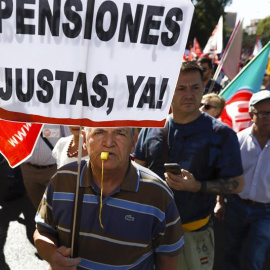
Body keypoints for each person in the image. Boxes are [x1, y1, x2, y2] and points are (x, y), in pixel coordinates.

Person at [133, 61, 244, 270]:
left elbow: (238, 184)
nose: (189, 94)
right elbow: (135, 173)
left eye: (195, 87)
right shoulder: (151, 128)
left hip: (194, 235)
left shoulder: (221, 134)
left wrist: (197, 186)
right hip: (149, 234)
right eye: (181, 88)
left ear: (203, 88)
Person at [34, 127, 184, 270]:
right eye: (99, 132)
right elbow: (42, 231)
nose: (109, 142)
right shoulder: (62, 180)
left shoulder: (157, 193)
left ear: (134, 142)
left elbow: (168, 257)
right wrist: (52, 255)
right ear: (85, 139)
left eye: (120, 133)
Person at [224, 90, 270, 270]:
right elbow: (226, 174)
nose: (268, 118)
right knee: (230, 253)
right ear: (252, 115)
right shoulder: (238, 140)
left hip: (265, 212)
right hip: (237, 205)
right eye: (264, 113)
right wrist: (221, 202)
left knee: (254, 258)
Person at [20, 124, 70, 209]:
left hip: (54, 170)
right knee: (39, 207)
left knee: (57, 207)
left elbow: (71, 139)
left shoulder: (59, 114)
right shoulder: (20, 113)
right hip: (28, 170)